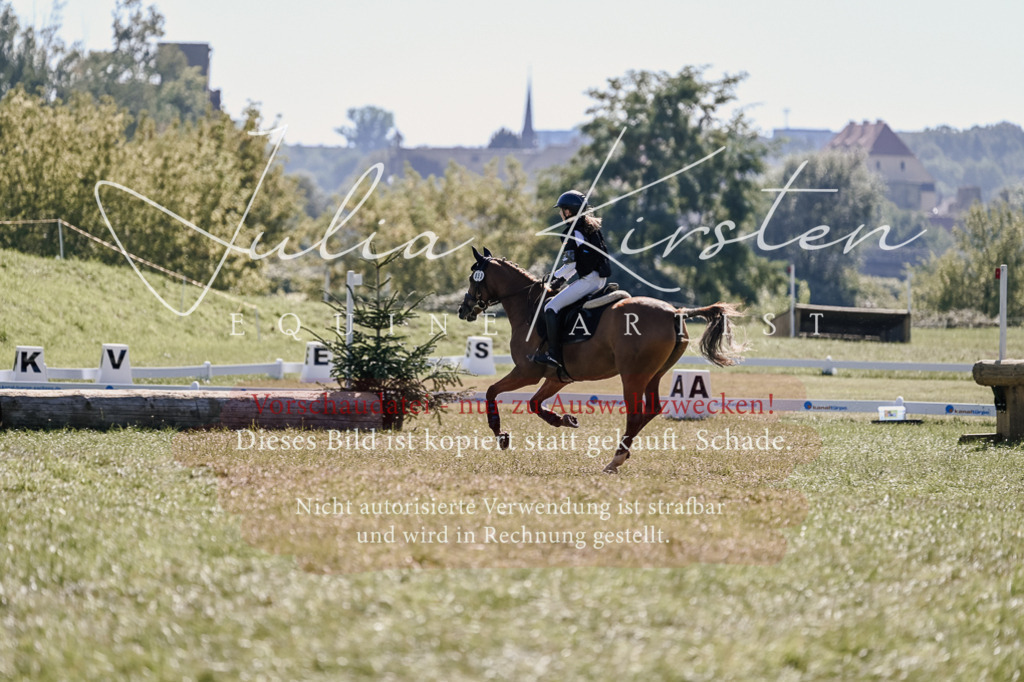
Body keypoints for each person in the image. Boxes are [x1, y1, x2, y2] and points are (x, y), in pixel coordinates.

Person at [529, 189, 612, 370]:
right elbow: (578, 263)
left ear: (568, 211)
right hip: (599, 280)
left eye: (561, 210)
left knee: (550, 307)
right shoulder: (591, 227)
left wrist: (554, 276)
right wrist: (561, 279)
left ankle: (554, 355)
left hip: (588, 280)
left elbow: (570, 265)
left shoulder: (573, 231)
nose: (560, 213)